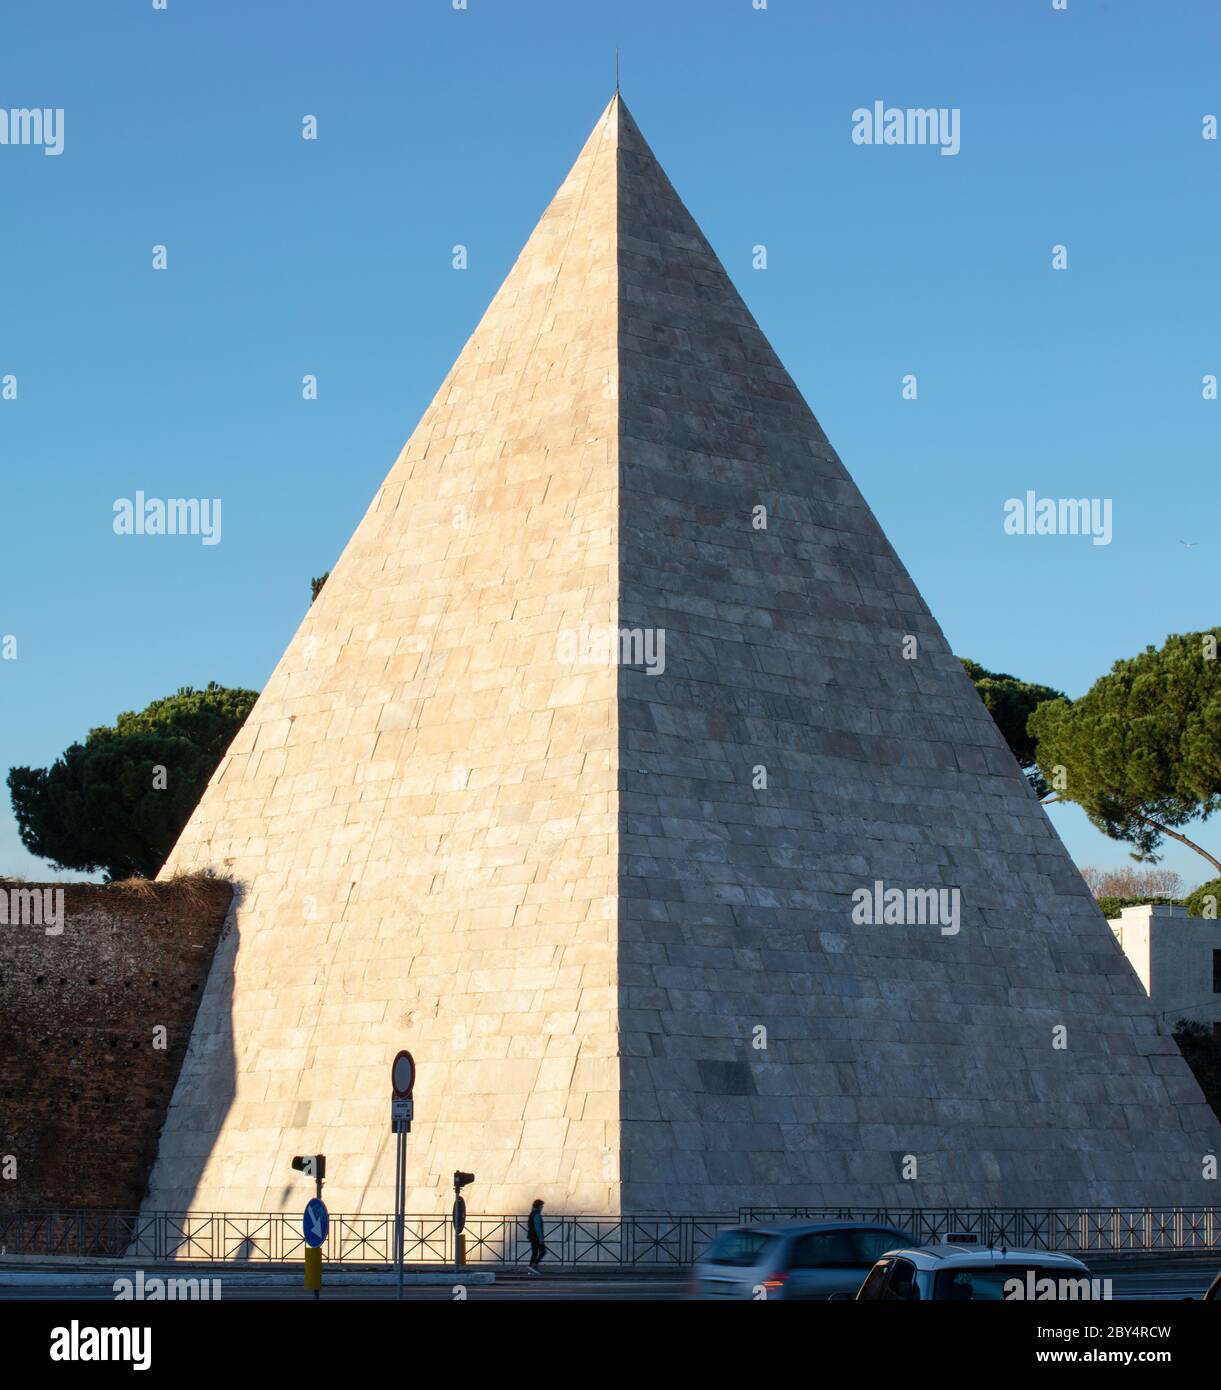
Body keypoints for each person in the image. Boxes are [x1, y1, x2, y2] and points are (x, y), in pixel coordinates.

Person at [527, 1198, 547, 1275]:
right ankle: (532, 1265)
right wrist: (541, 1238)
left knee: (535, 1252)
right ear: (538, 1206)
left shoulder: (532, 1214)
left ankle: (531, 1269)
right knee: (543, 1251)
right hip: (536, 1237)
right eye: (542, 1206)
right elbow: (537, 1227)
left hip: (532, 1236)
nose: (542, 1208)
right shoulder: (537, 1215)